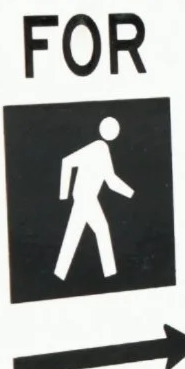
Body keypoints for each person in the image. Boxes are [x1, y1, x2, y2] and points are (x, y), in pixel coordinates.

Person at [54, 117, 135, 280]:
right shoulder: (99, 147)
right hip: (86, 198)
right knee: (101, 230)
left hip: (85, 198)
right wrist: (63, 194)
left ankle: (60, 273)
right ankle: (111, 274)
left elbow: (110, 181)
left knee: (75, 234)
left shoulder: (100, 148)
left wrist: (130, 193)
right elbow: (67, 162)